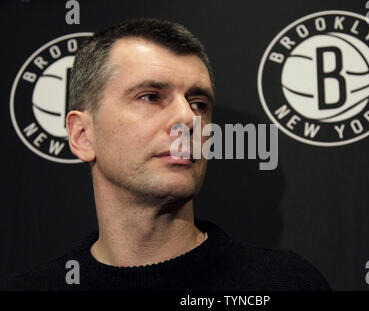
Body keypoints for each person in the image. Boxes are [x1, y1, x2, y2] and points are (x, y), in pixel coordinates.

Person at [0, 18, 330, 291]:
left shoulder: (285, 284)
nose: (188, 119)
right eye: (151, 96)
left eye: (199, 103)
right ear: (82, 135)